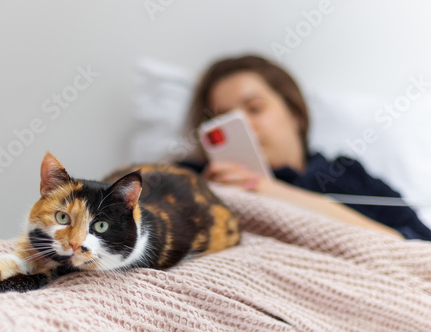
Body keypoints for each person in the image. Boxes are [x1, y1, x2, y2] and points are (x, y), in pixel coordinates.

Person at [180, 54, 431, 241]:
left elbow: (420, 249)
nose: (244, 125)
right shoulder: (191, 178)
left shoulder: (346, 174)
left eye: (255, 109)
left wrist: (267, 190)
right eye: (224, 119)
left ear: (295, 114)